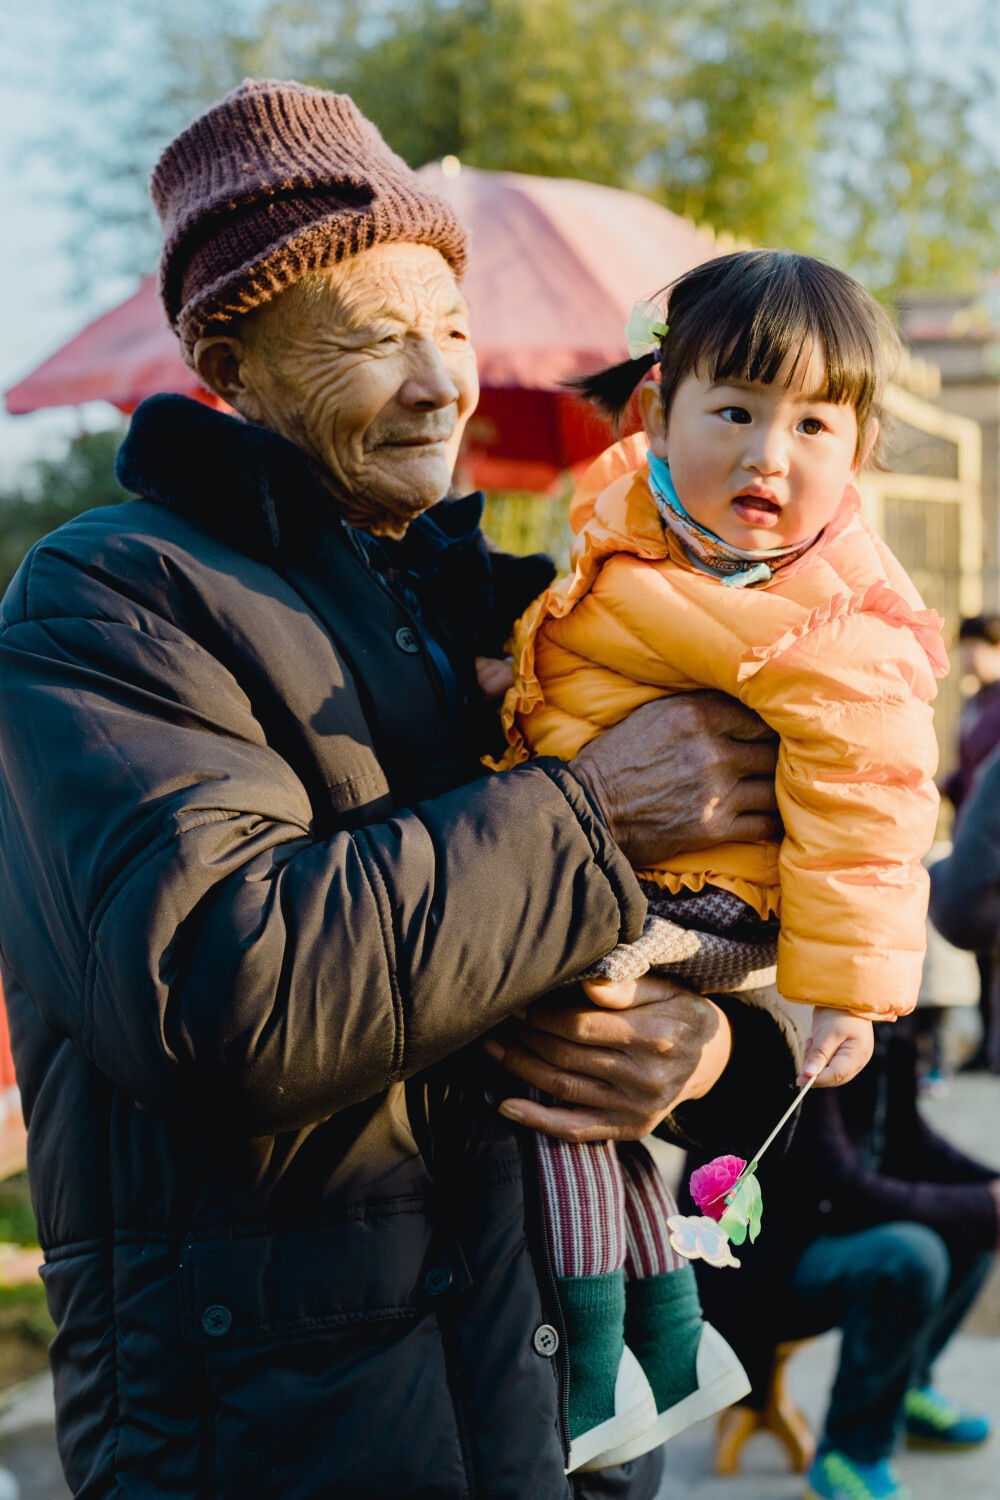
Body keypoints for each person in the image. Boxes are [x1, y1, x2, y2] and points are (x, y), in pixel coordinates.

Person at [0, 81, 797, 1500]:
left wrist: (703, 1054)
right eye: (376, 340)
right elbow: (224, 995)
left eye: (452, 329)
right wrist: (591, 816)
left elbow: (655, 936)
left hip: (540, 1408)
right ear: (230, 366)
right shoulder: (107, 602)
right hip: (275, 1443)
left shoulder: (495, 615)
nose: (441, 382)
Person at [494, 251, 946, 1473]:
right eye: (734, 411)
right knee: (589, 1120)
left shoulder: (834, 614)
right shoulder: (632, 530)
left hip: (709, 905)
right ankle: (663, 1338)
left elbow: (872, 795)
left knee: (554, 1085)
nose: (770, 455)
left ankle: (597, 1371)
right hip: (621, 874)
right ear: (657, 415)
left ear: (857, 452)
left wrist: (849, 988)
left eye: (813, 424)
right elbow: (579, 669)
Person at [686, 1017, 998, 1500]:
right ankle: (848, 1455)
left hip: (825, 1225)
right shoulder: (803, 1021)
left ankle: (907, 1386)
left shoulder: (881, 1012)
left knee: (975, 1229)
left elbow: (908, 1137)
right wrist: (981, 1204)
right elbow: (838, 1184)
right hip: (758, 1263)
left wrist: (990, 1192)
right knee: (912, 1255)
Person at [940, 613, 1000, 1071]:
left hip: (993, 844)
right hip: (971, 837)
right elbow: (967, 772)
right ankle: (985, 1043)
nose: (966, 656)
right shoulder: (977, 703)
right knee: (984, 954)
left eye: (976, 646)